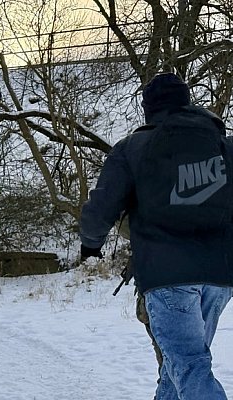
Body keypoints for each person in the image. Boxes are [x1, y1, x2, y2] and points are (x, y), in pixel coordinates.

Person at [80, 72, 233, 400]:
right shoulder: (222, 144)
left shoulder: (134, 148)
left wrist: (91, 245)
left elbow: (101, 207)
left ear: (148, 108)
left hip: (168, 276)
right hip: (221, 275)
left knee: (189, 365)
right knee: (177, 366)